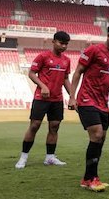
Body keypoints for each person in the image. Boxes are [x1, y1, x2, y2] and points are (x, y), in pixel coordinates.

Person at [68, 22, 109, 192]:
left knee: (101, 139)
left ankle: (88, 178)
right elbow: (78, 72)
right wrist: (72, 97)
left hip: (103, 103)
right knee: (97, 134)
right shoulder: (93, 50)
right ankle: (92, 179)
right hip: (87, 99)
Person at [15, 31, 72, 169]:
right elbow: (31, 73)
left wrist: (73, 96)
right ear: (53, 42)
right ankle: (23, 157)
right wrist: (43, 86)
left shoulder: (66, 60)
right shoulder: (43, 56)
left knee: (54, 127)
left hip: (57, 99)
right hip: (41, 98)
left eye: (66, 44)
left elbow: (65, 79)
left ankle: (50, 158)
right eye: (61, 43)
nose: (63, 46)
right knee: (34, 126)